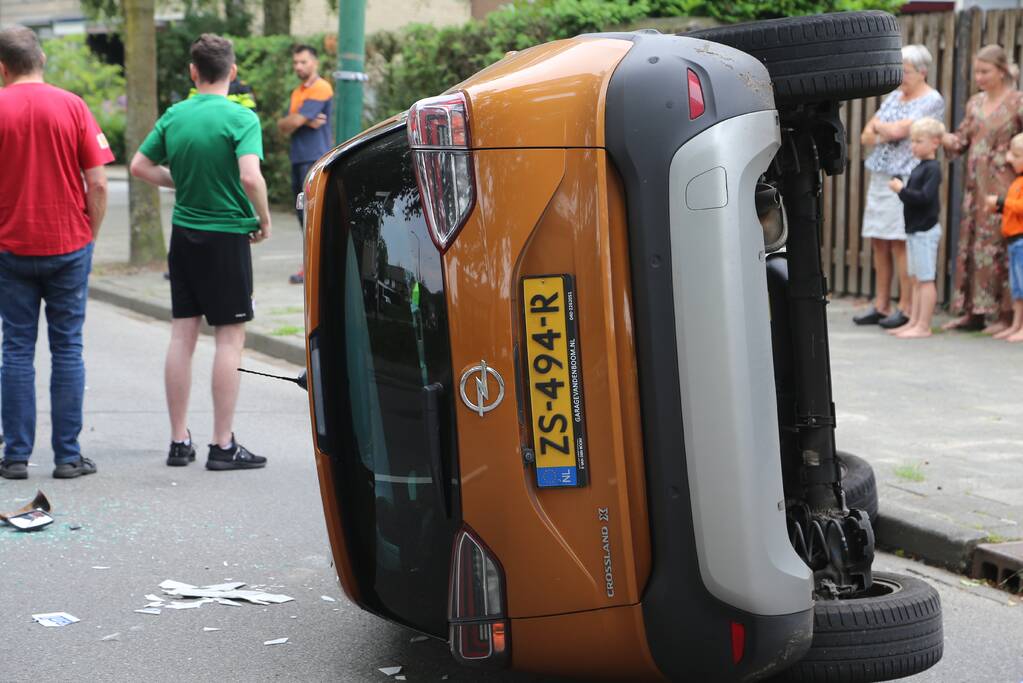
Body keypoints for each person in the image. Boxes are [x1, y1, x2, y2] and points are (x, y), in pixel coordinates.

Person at [130, 33, 270, 471]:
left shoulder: (175, 115)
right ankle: (222, 444)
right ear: (232, 72)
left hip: (185, 236)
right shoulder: (241, 117)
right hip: (227, 237)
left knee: (181, 335)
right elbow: (251, 177)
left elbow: (139, 166)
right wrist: (263, 219)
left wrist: (182, 182)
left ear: (193, 72)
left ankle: (178, 441)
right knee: (229, 338)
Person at [0, 27, 112, 480]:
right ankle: (67, 456)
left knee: (16, 349)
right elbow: (99, 182)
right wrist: (90, 235)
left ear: (3, 68)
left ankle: (15, 456)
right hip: (68, 244)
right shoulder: (73, 106)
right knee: (68, 347)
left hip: (10, 245)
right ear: (41, 59)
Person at [854, 44, 945, 329]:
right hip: (881, 175)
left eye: (905, 72)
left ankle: (905, 305)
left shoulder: (932, 100)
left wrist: (884, 128)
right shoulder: (894, 96)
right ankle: (881, 304)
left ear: (922, 72)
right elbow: (865, 136)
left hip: (905, 178)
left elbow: (895, 130)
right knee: (878, 240)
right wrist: (885, 130)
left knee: (898, 242)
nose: (901, 78)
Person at [942, 44, 1022, 334]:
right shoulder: (974, 103)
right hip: (975, 187)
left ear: (1001, 71)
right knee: (972, 245)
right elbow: (962, 139)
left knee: (1001, 247)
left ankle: (1003, 315)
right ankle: (972, 312)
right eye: (976, 71)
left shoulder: (1018, 102)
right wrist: (945, 139)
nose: (979, 77)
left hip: (1004, 187)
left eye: (985, 71)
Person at [276, 43, 333, 285]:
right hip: (297, 158)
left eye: (303, 62)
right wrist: (299, 120)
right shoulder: (297, 92)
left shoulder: (321, 87)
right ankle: (310, 266)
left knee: (311, 216)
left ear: (315, 63)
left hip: (313, 158)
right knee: (302, 216)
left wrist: (298, 120)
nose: (299, 66)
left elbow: (294, 120)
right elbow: (283, 126)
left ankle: (314, 269)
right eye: (296, 63)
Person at [887, 118, 945, 339]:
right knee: (916, 278)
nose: (914, 146)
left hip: (925, 231)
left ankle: (924, 325)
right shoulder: (920, 167)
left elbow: (923, 198)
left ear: (935, 143)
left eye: (919, 141)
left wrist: (901, 190)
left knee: (925, 278)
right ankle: (914, 320)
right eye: (912, 141)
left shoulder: (933, 169)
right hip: (914, 230)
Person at [985, 132, 1023, 342]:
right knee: (1017, 288)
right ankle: (1017, 324)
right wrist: (1000, 208)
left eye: (1016, 155)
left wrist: (1002, 202)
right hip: (1014, 240)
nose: (1009, 159)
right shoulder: (1017, 181)